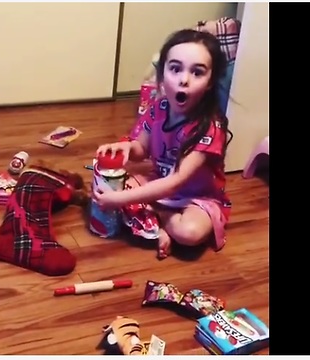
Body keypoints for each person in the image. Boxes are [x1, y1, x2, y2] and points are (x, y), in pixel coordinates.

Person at [94, 29, 233, 259]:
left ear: (210, 82)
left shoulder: (210, 128)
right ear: (163, 74)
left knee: (188, 233)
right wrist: (127, 148)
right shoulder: (157, 109)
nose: (184, 79)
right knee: (109, 187)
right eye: (175, 68)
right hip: (158, 181)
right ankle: (157, 223)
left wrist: (120, 200)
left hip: (197, 197)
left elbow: (175, 181)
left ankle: (157, 216)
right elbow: (141, 150)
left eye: (197, 72)